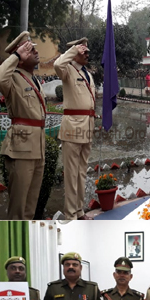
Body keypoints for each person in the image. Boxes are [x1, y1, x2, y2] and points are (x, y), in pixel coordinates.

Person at [55, 38, 97, 220]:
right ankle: (70, 214)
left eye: (87, 51)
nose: (87, 54)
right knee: (71, 174)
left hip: (87, 128)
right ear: (74, 52)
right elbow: (57, 63)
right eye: (83, 51)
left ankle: (79, 210)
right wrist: (73, 50)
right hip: (72, 128)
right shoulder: (67, 70)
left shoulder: (88, 74)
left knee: (81, 172)